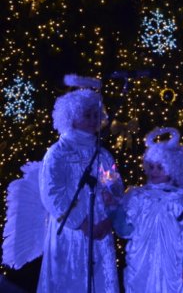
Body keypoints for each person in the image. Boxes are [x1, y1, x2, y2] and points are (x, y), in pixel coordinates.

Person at [38, 77, 121, 293]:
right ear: (72, 118)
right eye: (87, 115)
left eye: (96, 115)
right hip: (72, 232)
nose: (94, 120)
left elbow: (113, 185)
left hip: (100, 229)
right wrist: (83, 224)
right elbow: (52, 194)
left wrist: (110, 212)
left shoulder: (102, 154)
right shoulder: (59, 152)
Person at [108, 127, 183, 293]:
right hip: (141, 261)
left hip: (171, 263)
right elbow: (126, 231)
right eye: (151, 167)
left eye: (160, 167)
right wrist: (115, 209)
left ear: (173, 168)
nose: (154, 172)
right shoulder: (137, 196)